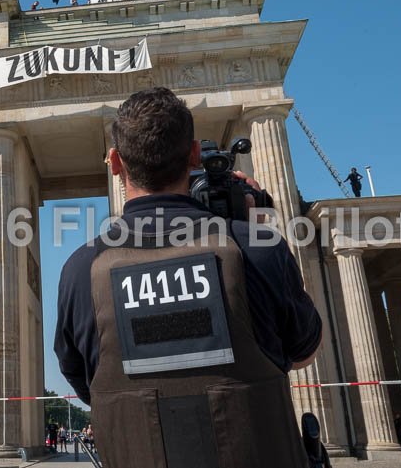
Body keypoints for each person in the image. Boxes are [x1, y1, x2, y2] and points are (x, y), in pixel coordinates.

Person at [54, 88, 321, 468]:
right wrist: (260, 229)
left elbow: (89, 386)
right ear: (195, 155)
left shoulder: (81, 270)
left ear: (114, 162)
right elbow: (304, 349)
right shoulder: (255, 248)